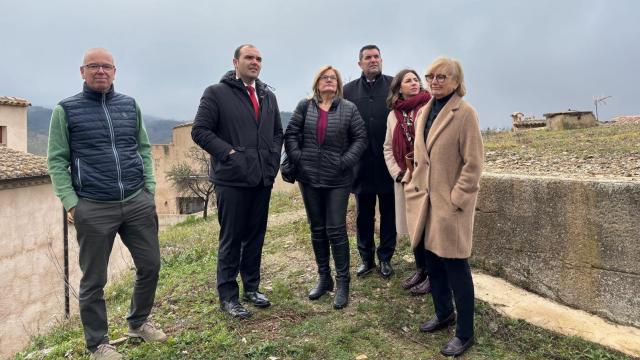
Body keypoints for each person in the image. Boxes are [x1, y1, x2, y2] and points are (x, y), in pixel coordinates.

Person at [47, 48, 166, 360]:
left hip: (136, 201)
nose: (101, 71)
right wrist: (72, 204)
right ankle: (98, 343)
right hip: (93, 206)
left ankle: (138, 323)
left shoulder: (129, 105)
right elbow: (57, 162)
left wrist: (149, 189)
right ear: (82, 71)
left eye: (107, 67)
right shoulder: (65, 110)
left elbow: (142, 147)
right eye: (94, 66)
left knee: (151, 265)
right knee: (94, 280)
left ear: (115, 71)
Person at [191, 44, 283, 319]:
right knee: (232, 239)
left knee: (256, 236)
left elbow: (278, 133)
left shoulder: (267, 95)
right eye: (249, 58)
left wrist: (272, 160)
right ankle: (228, 297)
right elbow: (200, 131)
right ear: (235, 62)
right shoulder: (216, 93)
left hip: (261, 178)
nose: (254, 62)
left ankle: (252, 288)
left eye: (258, 59)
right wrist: (230, 154)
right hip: (231, 180)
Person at [404, 57, 483, 357]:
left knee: (457, 269)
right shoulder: (426, 109)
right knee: (432, 264)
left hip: (450, 207)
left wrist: (457, 199)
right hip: (425, 202)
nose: (435, 81)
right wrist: (414, 185)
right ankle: (443, 312)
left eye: (442, 76)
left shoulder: (465, 113)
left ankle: (465, 333)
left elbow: (474, 163)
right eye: (430, 76)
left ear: (456, 80)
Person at [284, 65, 367, 309]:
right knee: (317, 229)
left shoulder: (349, 109)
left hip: (338, 179)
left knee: (336, 230)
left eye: (333, 78)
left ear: (338, 84)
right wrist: (299, 158)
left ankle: (343, 283)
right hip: (308, 177)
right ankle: (324, 278)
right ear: (317, 82)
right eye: (324, 77)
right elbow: (291, 134)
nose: (329, 81)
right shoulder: (304, 106)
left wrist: (345, 162)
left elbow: (360, 139)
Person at [344, 45, 397, 279]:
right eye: (368, 58)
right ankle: (367, 258)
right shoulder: (347, 90)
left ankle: (386, 258)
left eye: (376, 57)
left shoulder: (395, 85)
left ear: (381, 60)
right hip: (361, 166)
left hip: (389, 163)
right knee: (364, 215)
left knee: (389, 214)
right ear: (360, 64)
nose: (373, 60)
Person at [382, 69, 432, 295]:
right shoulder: (393, 115)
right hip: (405, 178)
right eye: (408, 80)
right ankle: (421, 269)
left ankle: (433, 273)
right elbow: (387, 148)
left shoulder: (429, 106)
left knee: (430, 228)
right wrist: (399, 173)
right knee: (414, 227)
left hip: (428, 178)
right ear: (398, 88)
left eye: (416, 80)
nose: (414, 83)